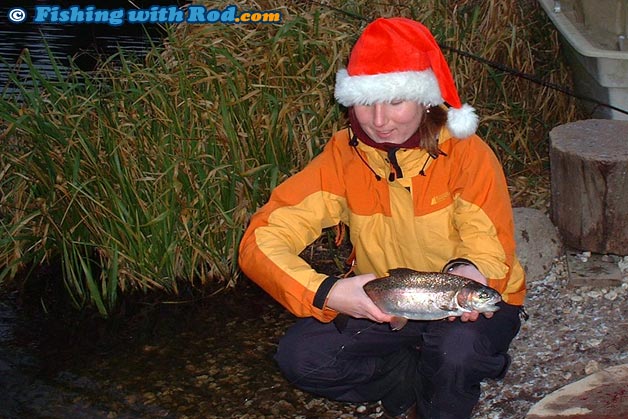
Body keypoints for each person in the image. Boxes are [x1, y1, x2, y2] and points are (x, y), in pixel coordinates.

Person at [239, 17, 526, 419]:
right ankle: (408, 380)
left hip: (462, 303)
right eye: (366, 102)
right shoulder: (342, 156)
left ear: (425, 99)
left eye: (395, 101)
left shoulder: (467, 153)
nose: (378, 120)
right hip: (386, 302)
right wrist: (328, 293)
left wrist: (472, 271)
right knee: (301, 357)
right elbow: (260, 240)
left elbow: (489, 242)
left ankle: (446, 389)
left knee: (458, 353)